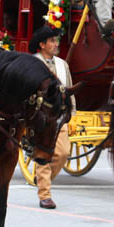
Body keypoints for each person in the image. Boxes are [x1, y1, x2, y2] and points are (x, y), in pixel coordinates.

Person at [29, 24, 75, 209]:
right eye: (52, 41)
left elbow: (70, 90)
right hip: (40, 118)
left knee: (63, 153)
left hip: (59, 118)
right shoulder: (33, 63)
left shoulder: (63, 65)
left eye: (56, 40)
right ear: (42, 44)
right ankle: (45, 195)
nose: (56, 44)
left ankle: (42, 178)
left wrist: (72, 114)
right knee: (43, 154)